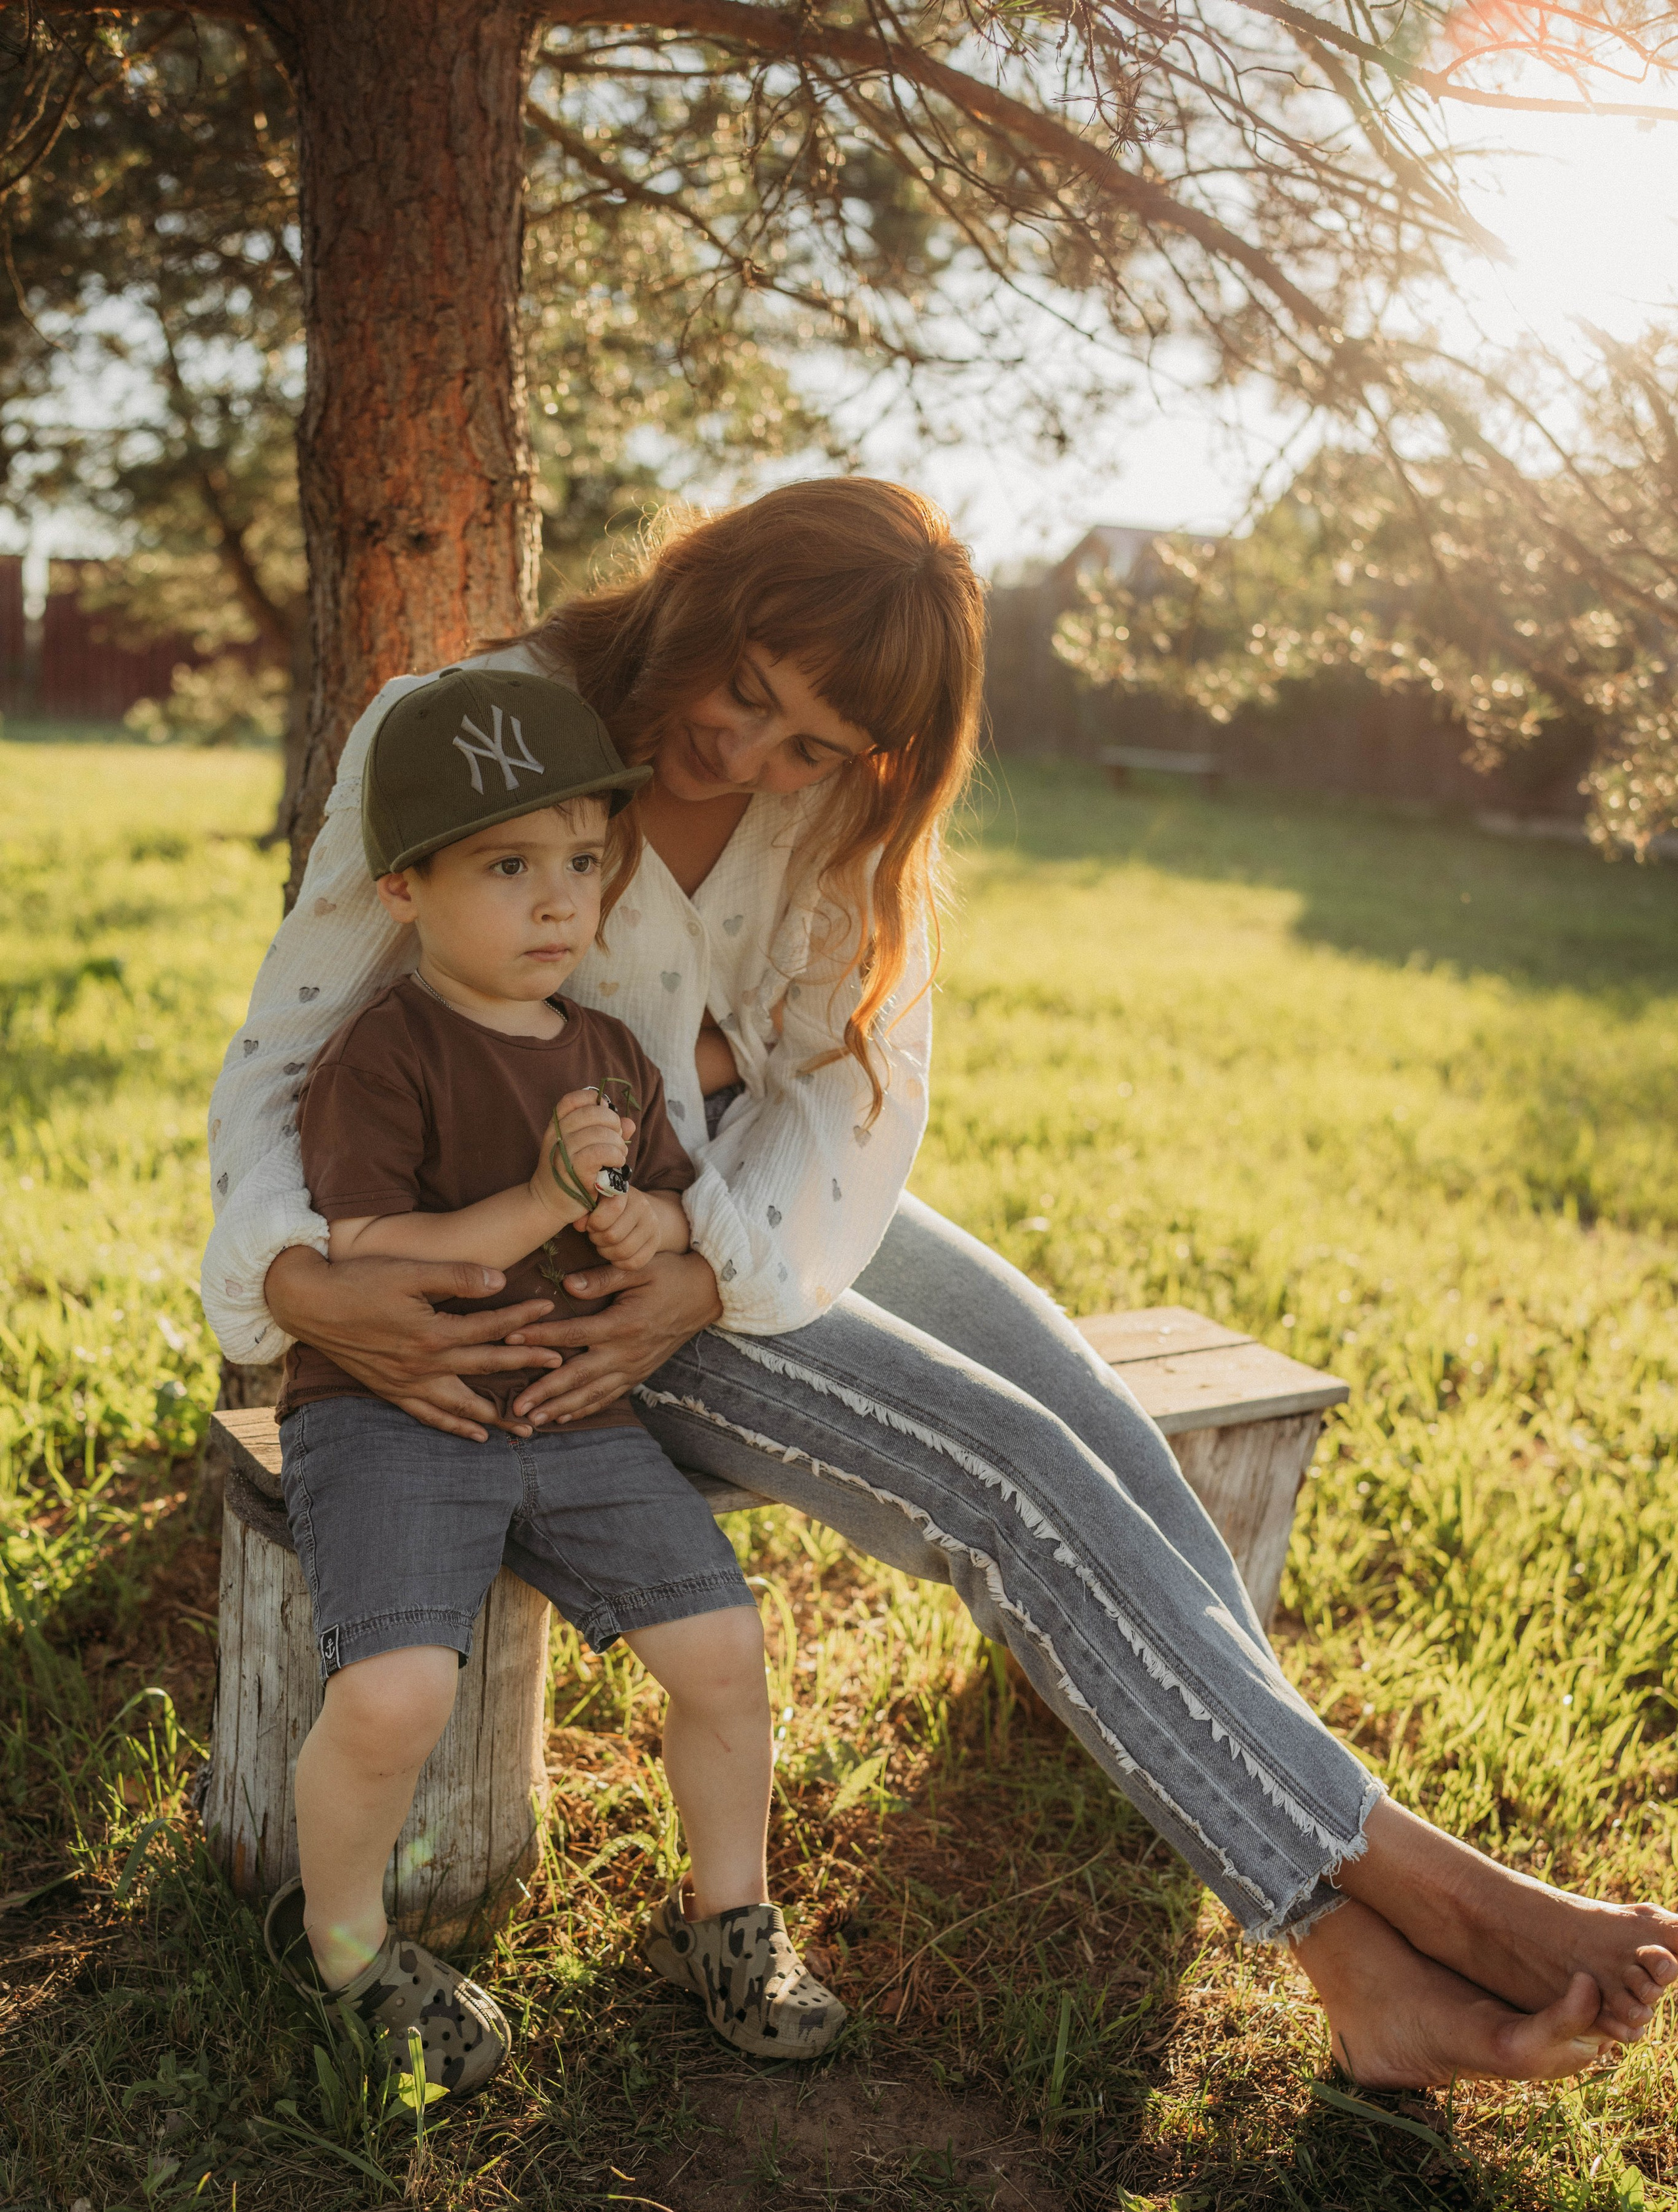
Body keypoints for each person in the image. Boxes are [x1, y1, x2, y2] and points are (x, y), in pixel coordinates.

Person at [206, 476, 1678, 2093]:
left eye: (812, 747)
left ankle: (1347, 1949)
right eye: (745, 692)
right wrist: (295, 1283)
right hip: (563, 1271)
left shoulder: (839, 809)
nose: (748, 757)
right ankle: (1408, 1903)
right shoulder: (478, 729)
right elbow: (288, 1046)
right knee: (1010, 1476)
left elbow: (853, 1088)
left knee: (1095, 1422)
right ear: (697, 596)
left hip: (740, 1216)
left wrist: (713, 1265)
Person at [258, 666, 846, 2098]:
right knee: (395, 1692)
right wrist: (535, 1201)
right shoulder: (382, 1053)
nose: (555, 904)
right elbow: (371, 1248)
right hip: (402, 1415)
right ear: (403, 890)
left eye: (582, 864)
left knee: (721, 1651)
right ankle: (340, 1944)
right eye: (506, 867)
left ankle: (726, 1917)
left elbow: (650, 1197)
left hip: (578, 1418)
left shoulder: (603, 1052)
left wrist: (641, 1223)